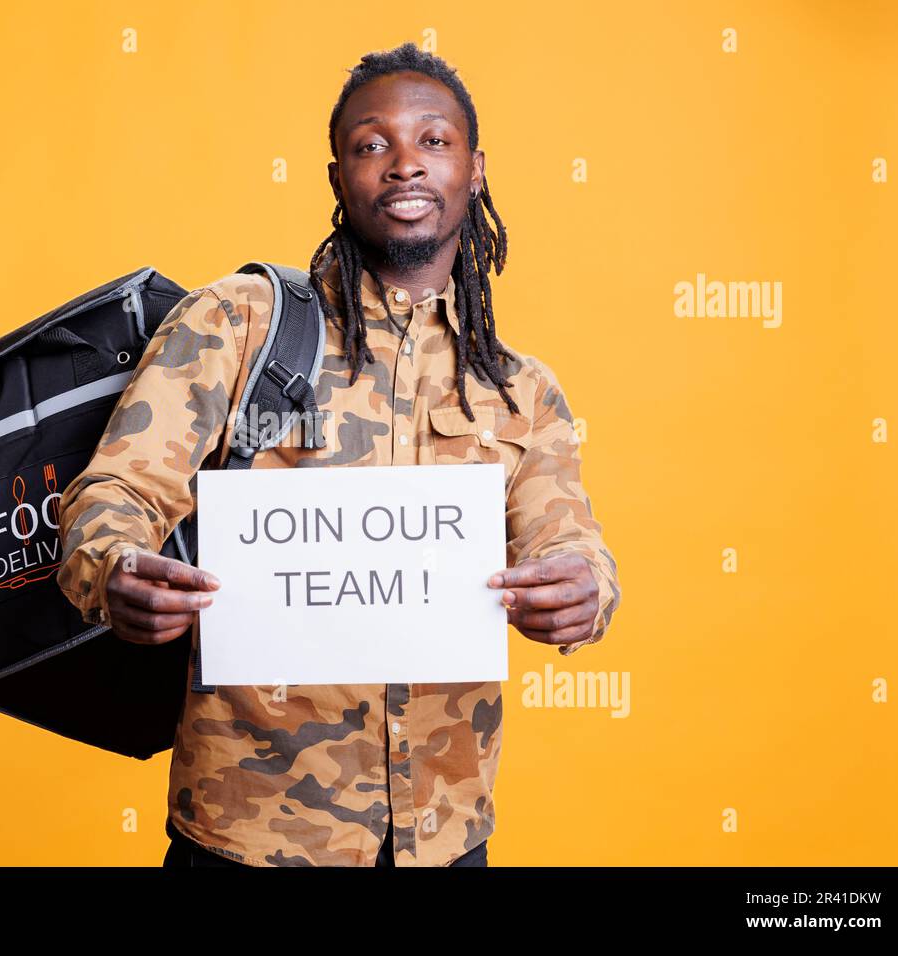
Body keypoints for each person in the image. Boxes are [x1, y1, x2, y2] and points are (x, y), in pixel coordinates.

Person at [55, 42, 621, 867]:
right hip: (244, 836)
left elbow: (573, 548)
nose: (403, 165)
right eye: (371, 144)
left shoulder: (518, 389)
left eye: (433, 141)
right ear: (336, 179)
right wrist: (115, 570)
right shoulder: (239, 323)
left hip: (444, 837)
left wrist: (583, 592)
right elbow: (115, 490)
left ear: (475, 170)